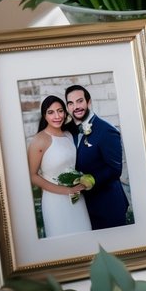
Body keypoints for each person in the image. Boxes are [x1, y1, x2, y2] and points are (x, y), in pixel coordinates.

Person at [65, 84, 130, 230]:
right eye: (71, 103)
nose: (76, 106)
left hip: (108, 207)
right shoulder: (71, 131)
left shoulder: (107, 131)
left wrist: (87, 181)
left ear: (88, 102)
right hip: (84, 208)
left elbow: (114, 169)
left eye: (80, 101)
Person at [27, 95, 92, 238]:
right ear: (44, 115)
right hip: (55, 202)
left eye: (60, 111)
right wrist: (66, 190)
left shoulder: (69, 135)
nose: (57, 116)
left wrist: (82, 181)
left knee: (85, 238)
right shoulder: (39, 140)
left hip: (77, 198)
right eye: (51, 112)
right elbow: (32, 176)